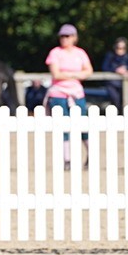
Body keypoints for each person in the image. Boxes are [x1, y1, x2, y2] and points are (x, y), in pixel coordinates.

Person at [45, 23, 93, 169]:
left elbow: (88, 71)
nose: (64, 39)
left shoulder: (80, 53)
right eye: (62, 36)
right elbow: (56, 74)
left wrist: (68, 75)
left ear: (74, 37)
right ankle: (67, 159)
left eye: (67, 36)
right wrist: (76, 75)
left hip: (76, 94)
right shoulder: (55, 53)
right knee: (63, 127)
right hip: (59, 94)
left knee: (83, 125)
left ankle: (91, 155)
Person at [100, 37, 128, 106]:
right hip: (112, 84)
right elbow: (104, 67)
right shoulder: (110, 56)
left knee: (124, 102)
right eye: (119, 48)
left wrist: (126, 69)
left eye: (123, 48)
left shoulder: (127, 57)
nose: (121, 50)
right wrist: (116, 70)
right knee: (115, 101)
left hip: (123, 84)